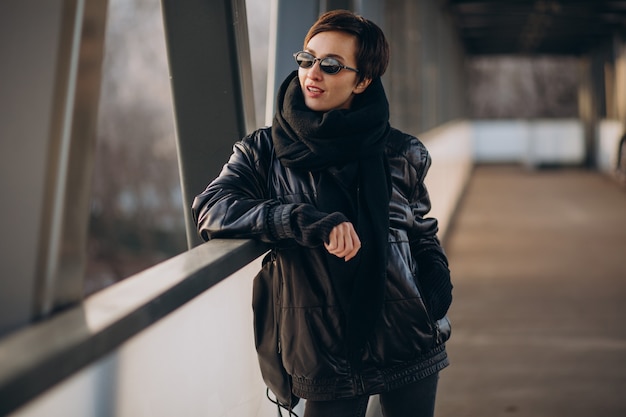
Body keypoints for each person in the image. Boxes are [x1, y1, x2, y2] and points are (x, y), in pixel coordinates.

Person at [192, 9, 453, 417]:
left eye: (331, 66)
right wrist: (304, 221)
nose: (313, 73)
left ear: (363, 80)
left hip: (409, 341)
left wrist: (436, 287)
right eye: (306, 59)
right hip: (325, 352)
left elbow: (419, 231)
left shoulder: (402, 152)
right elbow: (211, 208)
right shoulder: (263, 152)